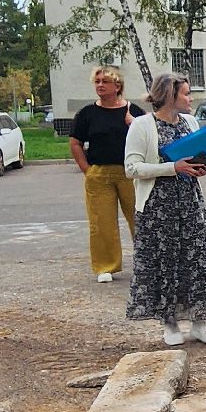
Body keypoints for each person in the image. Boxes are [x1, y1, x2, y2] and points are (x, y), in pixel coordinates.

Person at [124, 72, 206, 347]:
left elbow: (194, 158)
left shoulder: (190, 122)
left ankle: (201, 321)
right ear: (169, 95)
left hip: (190, 204)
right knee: (164, 264)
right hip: (157, 208)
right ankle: (169, 323)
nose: (191, 98)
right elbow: (131, 168)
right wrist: (173, 167)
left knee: (198, 260)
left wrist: (199, 167)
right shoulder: (142, 126)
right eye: (186, 94)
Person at [69, 66, 146, 284]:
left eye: (105, 81)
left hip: (130, 172)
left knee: (140, 218)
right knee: (101, 222)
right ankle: (106, 266)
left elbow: (148, 137)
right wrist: (87, 170)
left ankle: (146, 263)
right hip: (99, 173)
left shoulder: (134, 111)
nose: (100, 85)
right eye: (97, 81)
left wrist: (136, 124)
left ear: (117, 86)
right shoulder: (87, 113)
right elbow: (75, 143)